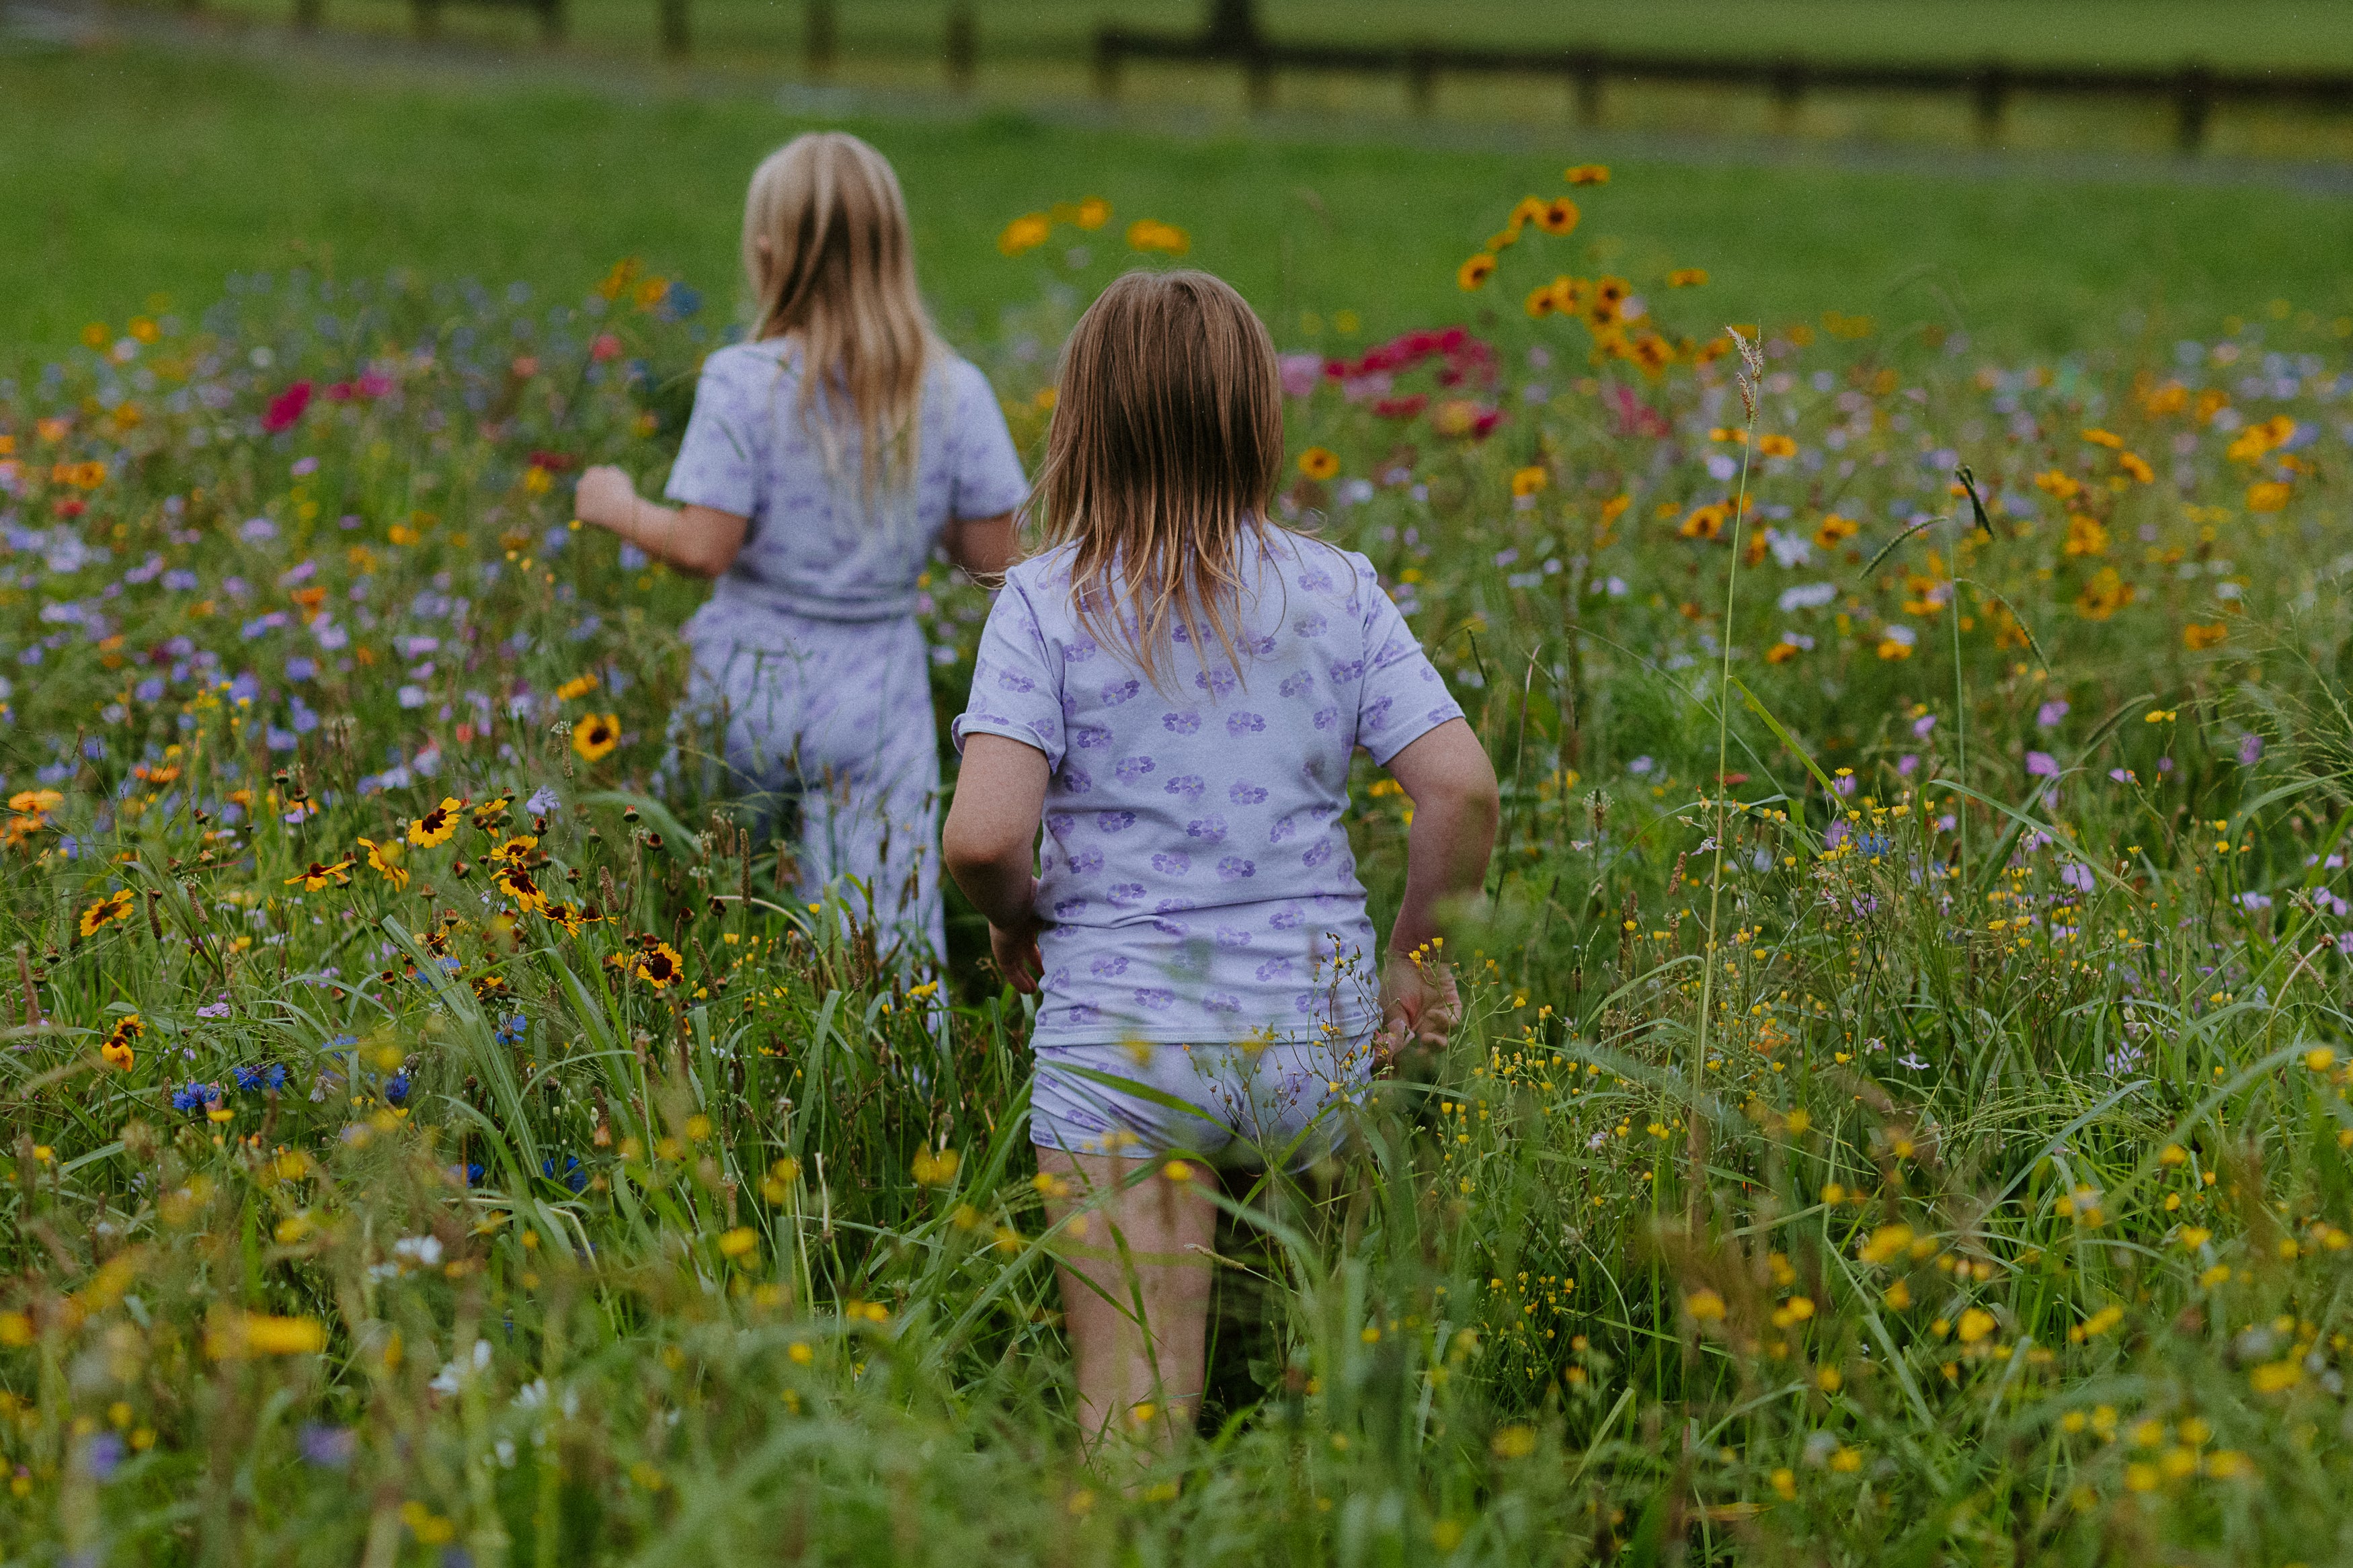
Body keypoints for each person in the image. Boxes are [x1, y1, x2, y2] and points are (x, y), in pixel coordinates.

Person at [941, 270, 1499, 1454]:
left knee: (1132, 1414)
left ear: (1085, 418)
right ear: (1256, 417)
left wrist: (1018, 916)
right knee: (1330, 1414)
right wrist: (1418, 958)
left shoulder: (1045, 600)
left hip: (1124, 1050)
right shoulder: (1336, 588)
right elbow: (1460, 785)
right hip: (1314, 1040)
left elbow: (984, 835)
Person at [575, 132, 1028, 965]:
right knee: (878, 929)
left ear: (766, 253)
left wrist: (617, 505)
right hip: (876, 681)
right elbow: (991, 556)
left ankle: (693, 1051)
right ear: (894, 250)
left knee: (698, 897)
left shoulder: (743, 379)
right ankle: (893, 1073)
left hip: (749, 673)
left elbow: (705, 548)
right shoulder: (952, 390)